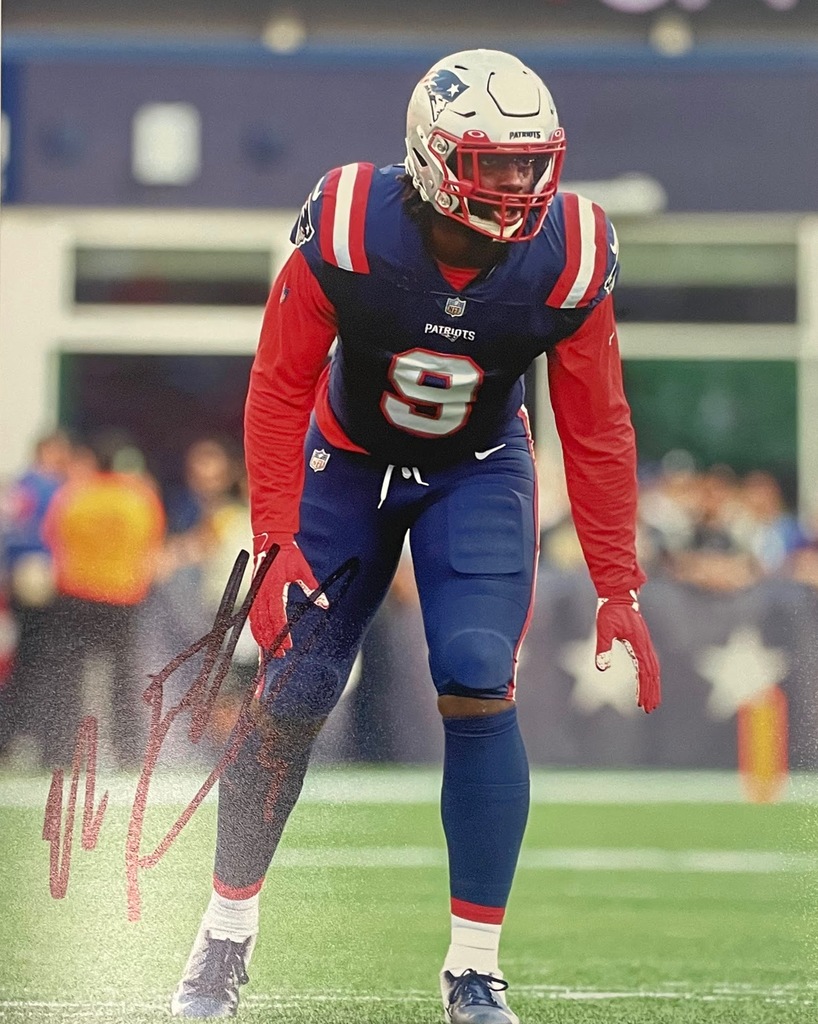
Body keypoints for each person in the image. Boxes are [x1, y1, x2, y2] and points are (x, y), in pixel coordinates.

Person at [172, 48, 661, 1024]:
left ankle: (473, 969)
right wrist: (272, 532)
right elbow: (279, 380)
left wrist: (617, 580)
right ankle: (223, 936)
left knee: (478, 676)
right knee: (296, 685)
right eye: (494, 162)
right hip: (344, 462)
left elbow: (597, 422)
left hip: (476, 468)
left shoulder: (568, 251)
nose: (516, 185)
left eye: (530, 162)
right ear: (433, 157)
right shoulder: (352, 221)